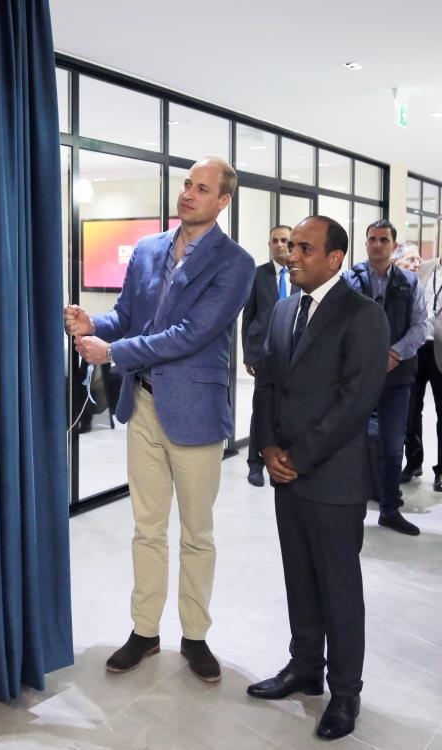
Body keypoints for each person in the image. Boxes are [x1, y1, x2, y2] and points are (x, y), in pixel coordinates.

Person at [64, 157, 255, 682]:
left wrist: (112, 351)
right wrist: (93, 323)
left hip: (195, 410)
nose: (188, 193)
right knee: (147, 528)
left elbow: (191, 334)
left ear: (223, 201)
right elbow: (127, 317)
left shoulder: (234, 263)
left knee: (197, 533)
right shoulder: (149, 249)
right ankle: (144, 630)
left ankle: (195, 636)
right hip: (143, 404)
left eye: (202, 188)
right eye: (187, 184)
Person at [248, 215, 389, 741]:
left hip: (333, 477)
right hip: (286, 472)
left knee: (338, 588)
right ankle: (304, 667)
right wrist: (267, 446)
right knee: (299, 577)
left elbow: (356, 400)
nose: (292, 255)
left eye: (305, 248)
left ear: (334, 259)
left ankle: (345, 692)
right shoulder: (285, 309)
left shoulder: (363, 315)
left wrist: (300, 456)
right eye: (291, 246)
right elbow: (267, 384)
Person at [342, 220, 428, 535]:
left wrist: (394, 354)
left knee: (392, 447)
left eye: (384, 239)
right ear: (366, 243)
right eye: (372, 239)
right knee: (352, 444)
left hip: (397, 378)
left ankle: (390, 509)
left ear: (393, 245)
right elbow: (340, 323)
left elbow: (421, 325)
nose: (377, 244)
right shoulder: (351, 279)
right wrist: (366, 357)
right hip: (358, 377)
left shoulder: (410, 281)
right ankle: (349, 507)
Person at [241, 225, 295, 486]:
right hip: (263, 353)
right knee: (261, 409)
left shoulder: (300, 274)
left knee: (288, 409)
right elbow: (248, 316)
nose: (279, 245)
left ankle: (283, 460)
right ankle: (255, 464)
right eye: (275, 240)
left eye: (284, 240)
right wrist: (247, 354)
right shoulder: (258, 274)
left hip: (293, 353)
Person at [401, 245, 442, 490]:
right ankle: (413, 462)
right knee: (411, 411)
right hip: (415, 347)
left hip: (441, 349)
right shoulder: (424, 268)